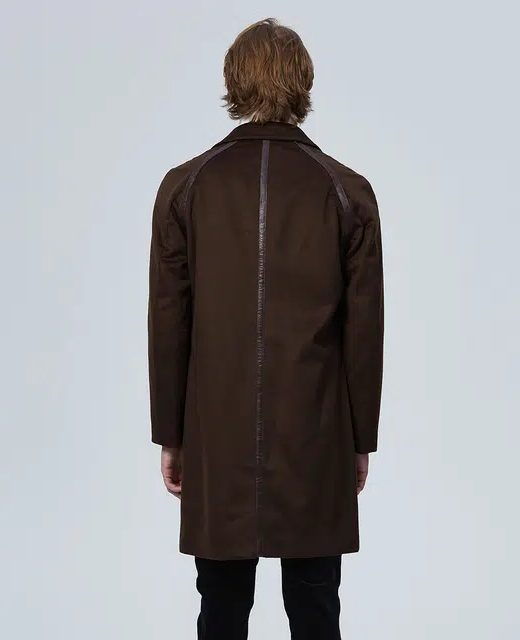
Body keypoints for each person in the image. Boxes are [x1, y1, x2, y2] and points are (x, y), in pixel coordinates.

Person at [147, 17, 384, 640]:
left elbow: (169, 321)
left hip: (215, 433)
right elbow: (364, 332)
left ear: (233, 82)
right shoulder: (347, 192)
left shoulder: (185, 187)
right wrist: (360, 439)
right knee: (316, 609)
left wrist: (171, 434)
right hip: (316, 432)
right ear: (304, 82)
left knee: (220, 610)